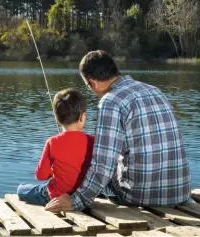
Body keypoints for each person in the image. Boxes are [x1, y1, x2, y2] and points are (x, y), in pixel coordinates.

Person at [45, 50, 191, 212]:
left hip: (140, 196)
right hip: (179, 192)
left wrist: (77, 200)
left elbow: (103, 165)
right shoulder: (154, 90)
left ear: (92, 82)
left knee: (88, 170)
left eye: (88, 86)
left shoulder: (111, 101)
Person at [17, 88, 95, 206]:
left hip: (55, 196)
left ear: (57, 118)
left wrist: (52, 170)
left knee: (21, 190)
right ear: (82, 117)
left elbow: (41, 175)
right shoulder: (93, 141)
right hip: (81, 195)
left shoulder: (52, 142)